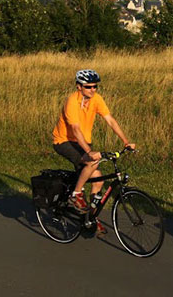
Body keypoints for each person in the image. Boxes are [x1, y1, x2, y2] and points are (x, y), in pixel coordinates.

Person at [52, 69, 135, 233]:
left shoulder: (96, 99)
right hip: (64, 141)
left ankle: (90, 218)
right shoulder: (72, 102)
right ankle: (76, 194)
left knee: (98, 179)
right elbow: (75, 129)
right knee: (92, 161)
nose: (93, 89)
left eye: (95, 86)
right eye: (88, 86)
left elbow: (110, 120)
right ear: (79, 87)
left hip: (83, 142)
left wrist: (125, 141)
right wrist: (89, 151)